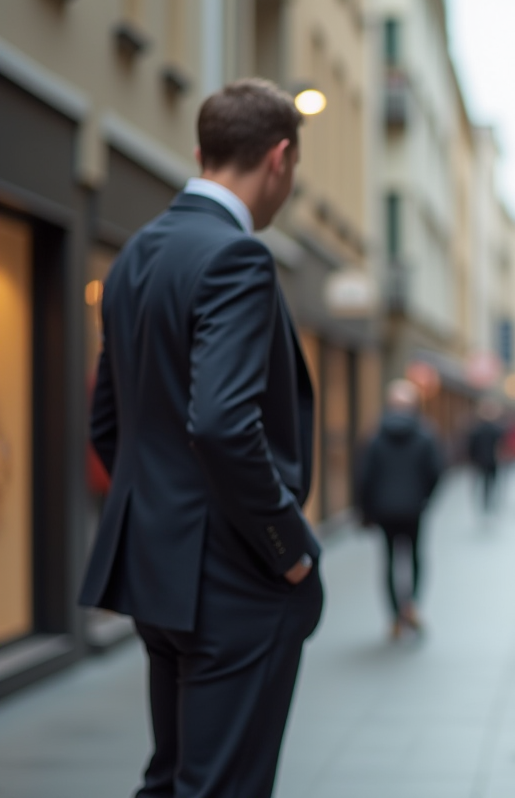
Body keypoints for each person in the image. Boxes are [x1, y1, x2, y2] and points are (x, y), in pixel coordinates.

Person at [79, 79, 322, 798]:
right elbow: (221, 423)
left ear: (199, 154)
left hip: (159, 568)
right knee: (220, 785)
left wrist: (162, 514)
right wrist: (287, 549)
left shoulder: (135, 255)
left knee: (174, 776)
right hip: (232, 573)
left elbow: (107, 423)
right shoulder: (237, 257)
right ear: (280, 157)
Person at [358, 379, 443, 639]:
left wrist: (366, 510)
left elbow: (364, 477)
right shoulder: (425, 435)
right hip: (414, 508)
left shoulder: (374, 436)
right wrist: (425, 497)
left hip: (384, 509)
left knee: (389, 560)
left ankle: (395, 616)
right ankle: (411, 606)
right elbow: (436, 471)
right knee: (415, 557)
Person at [467, 398, 506, 514]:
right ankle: (490, 500)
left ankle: (484, 501)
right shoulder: (496, 429)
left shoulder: (477, 429)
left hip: (480, 460)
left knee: (482, 481)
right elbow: (502, 445)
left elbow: (471, 446)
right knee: (491, 481)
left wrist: (472, 458)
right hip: (493, 460)